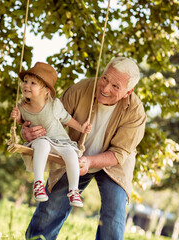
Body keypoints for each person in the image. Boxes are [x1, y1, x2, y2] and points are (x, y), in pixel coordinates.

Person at [23, 57, 147, 240]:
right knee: (53, 203)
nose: (104, 88)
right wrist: (30, 131)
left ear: (128, 92)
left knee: (114, 214)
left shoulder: (136, 113)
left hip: (113, 163)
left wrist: (90, 161)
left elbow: (119, 153)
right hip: (73, 152)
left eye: (115, 86)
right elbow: (50, 119)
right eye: (105, 78)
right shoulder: (81, 89)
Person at [10, 62, 92, 207]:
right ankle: (38, 185)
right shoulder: (22, 106)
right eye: (26, 82)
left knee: (72, 155)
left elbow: (67, 119)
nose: (26, 85)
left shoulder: (54, 105)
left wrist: (81, 128)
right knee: (43, 143)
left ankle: (73, 191)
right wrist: (17, 118)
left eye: (33, 83)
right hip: (40, 141)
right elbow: (23, 121)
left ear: (46, 90)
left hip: (60, 141)